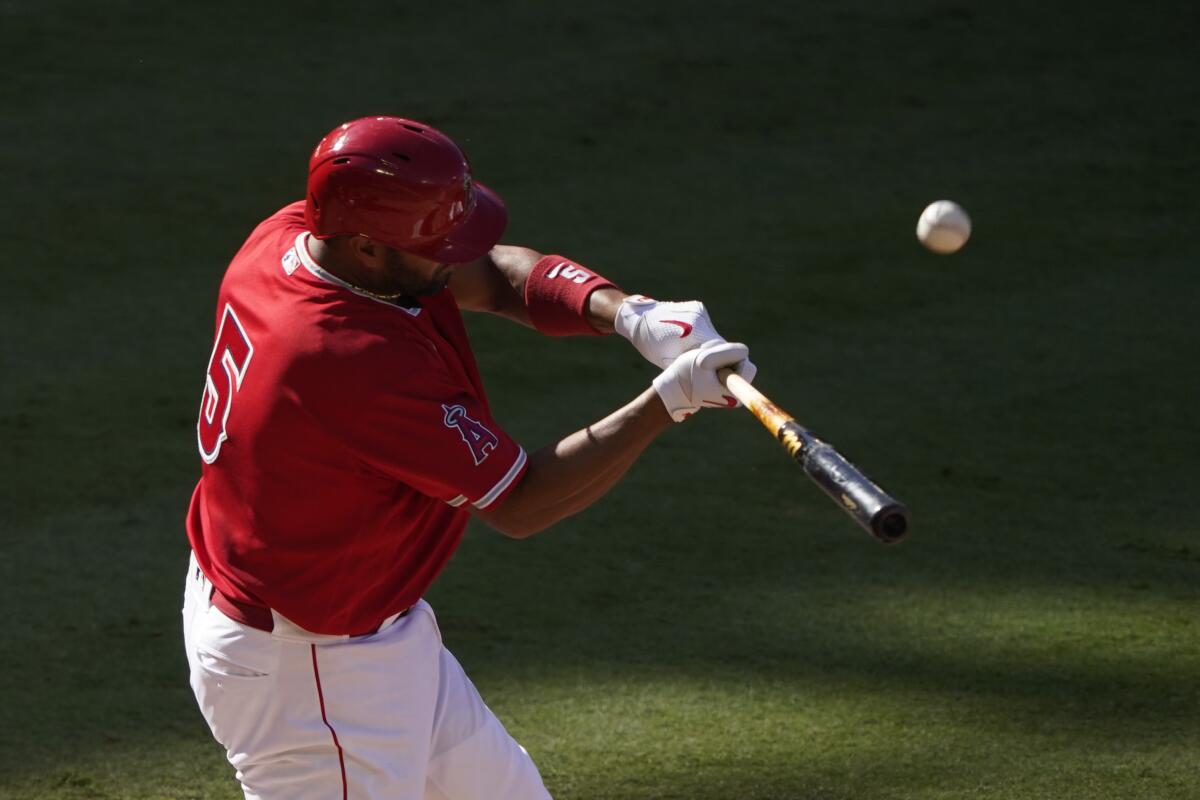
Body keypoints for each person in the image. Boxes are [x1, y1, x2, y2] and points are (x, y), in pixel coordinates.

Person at [183, 115, 756, 800]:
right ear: (367, 246)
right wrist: (668, 402)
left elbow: (488, 273)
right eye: (437, 243)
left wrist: (626, 313)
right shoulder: (348, 363)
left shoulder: (294, 237)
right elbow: (522, 502)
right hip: (311, 678)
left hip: (362, 634)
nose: (455, 256)